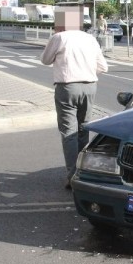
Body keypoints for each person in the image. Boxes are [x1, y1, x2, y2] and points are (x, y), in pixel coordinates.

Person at [41, 21, 109, 189]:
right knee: (83, 129)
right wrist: (85, 70)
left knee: (68, 132)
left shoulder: (59, 37)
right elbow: (103, 67)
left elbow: (45, 60)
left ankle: (73, 176)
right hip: (90, 86)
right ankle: (85, 172)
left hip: (67, 87)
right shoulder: (90, 38)